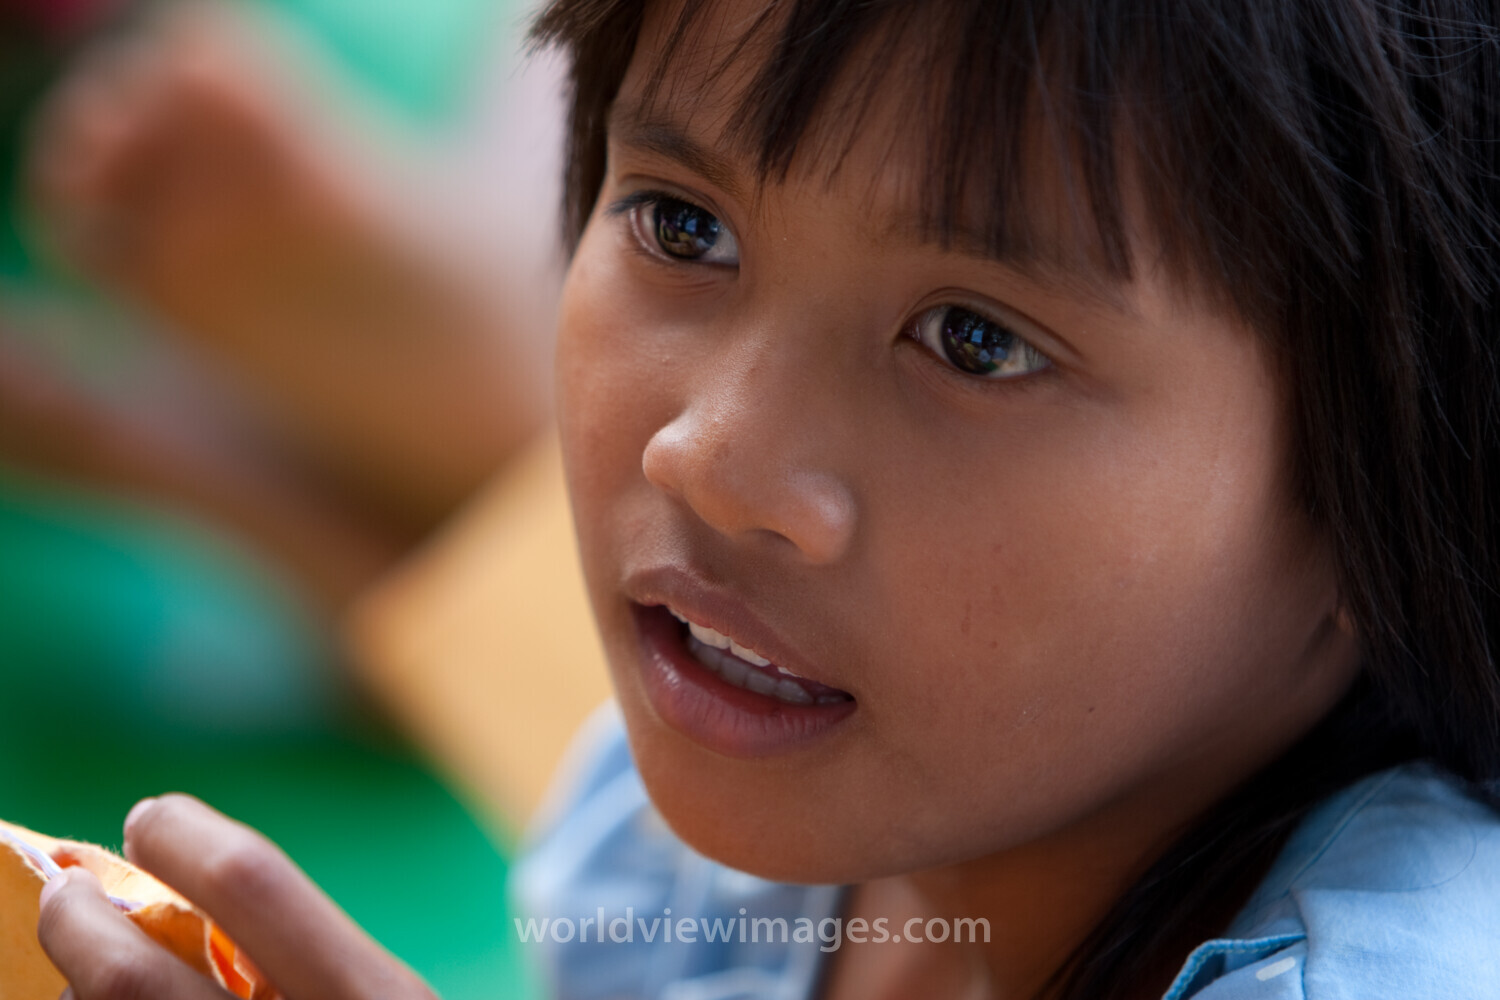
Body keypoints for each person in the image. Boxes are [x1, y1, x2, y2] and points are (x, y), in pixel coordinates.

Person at [30, 1, 1500, 998]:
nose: (707, 453)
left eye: (977, 341)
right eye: (682, 224)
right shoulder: (706, 839)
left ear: (1399, 463)